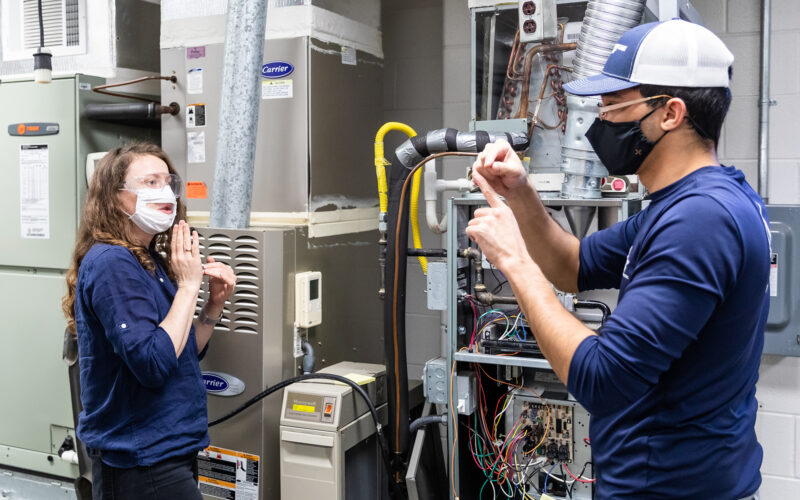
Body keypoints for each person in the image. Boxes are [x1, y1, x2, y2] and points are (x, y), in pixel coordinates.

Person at [465, 20, 768, 499]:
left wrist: (515, 262)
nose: (600, 121)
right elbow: (573, 265)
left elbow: (602, 379)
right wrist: (521, 193)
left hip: (671, 489)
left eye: (613, 106)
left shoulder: (700, 220)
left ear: (670, 113)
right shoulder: (688, 204)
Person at [62, 143, 236, 499]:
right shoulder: (112, 263)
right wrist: (188, 285)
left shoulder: (148, 259)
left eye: (168, 182)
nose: (165, 192)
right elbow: (153, 364)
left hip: (169, 449)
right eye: (150, 182)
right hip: (140, 460)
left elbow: (181, 351)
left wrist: (212, 307)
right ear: (114, 198)